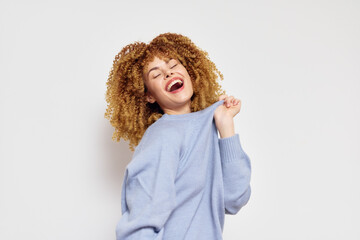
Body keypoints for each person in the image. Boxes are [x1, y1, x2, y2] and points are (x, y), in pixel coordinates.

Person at [104, 32, 251, 240]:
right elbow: (140, 225)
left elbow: (234, 199)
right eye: (156, 74)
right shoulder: (163, 137)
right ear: (149, 95)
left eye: (173, 65)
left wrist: (226, 126)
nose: (167, 73)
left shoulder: (206, 127)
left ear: (189, 72)